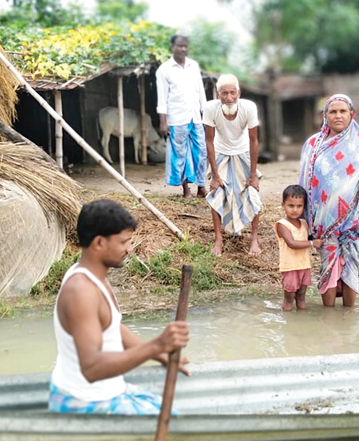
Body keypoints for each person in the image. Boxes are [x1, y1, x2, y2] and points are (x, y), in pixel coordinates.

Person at [49, 199, 190, 414]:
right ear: (99, 243)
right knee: (180, 428)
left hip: (108, 392)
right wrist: (156, 345)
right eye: (124, 242)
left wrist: (158, 354)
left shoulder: (93, 275)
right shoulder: (81, 291)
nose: (130, 249)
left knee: (176, 415)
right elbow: (92, 368)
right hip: (86, 402)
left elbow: (112, 327)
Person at [298, 94, 359, 307]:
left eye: (343, 111)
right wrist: (302, 220)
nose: (338, 115)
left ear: (352, 114)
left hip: (354, 221)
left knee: (350, 268)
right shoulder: (313, 145)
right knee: (327, 268)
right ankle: (329, 320)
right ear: (324, 115)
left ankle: (348, 318)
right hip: (323, 222)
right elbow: (304, 183)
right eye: (332, 111)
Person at [203, 73, 262, 256]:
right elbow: (209, 142)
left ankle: (254, 239)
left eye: (232, 93)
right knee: (216, 193)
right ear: (217, 94)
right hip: (221, 153)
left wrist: (253, 174)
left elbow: (254, 141)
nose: (229, 98)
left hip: (243, 153)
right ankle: (218, 240)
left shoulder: (249, 108)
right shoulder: (210, 108)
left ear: (239, 93)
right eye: (224, 93)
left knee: (252, 192)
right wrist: (215, 174)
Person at [155, 34, 208, 198]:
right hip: (176, 118)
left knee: (201, 151)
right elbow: (162, 98)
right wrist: (163, 122)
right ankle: (186, 189)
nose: (183, 49)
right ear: (172, 47)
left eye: (185, 46)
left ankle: (201, 186)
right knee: (180, 154)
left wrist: (206, 114)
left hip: (195, 116)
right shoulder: (164, 69)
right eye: (179, 46)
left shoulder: (194, 65)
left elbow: (201, 92)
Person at [275, 185, 323, 311]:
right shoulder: (282, 225)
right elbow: (292, 243)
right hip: (290, 267)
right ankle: (289, 325)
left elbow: (309, 237)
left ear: (304, 207)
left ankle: (301, 325)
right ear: (283, 205)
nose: (295, 210)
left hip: (304, 266)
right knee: (289, 298)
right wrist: (312, 243)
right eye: (291, 206)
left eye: (299, 206)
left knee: (301, 296)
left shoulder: (304, 223)